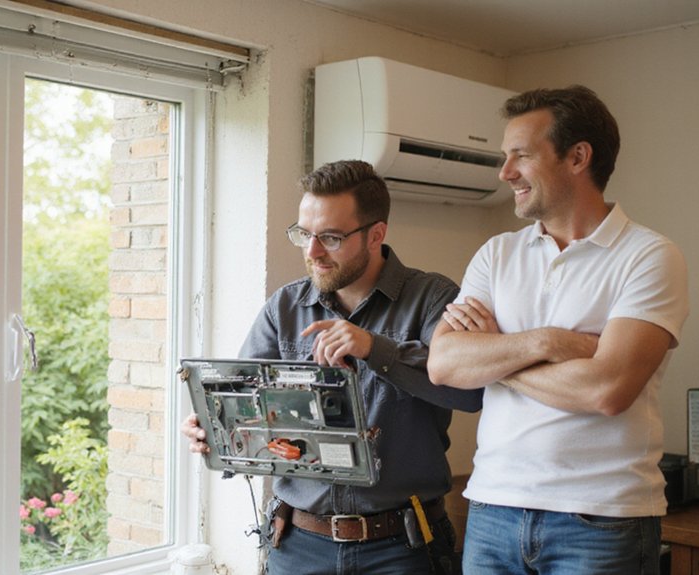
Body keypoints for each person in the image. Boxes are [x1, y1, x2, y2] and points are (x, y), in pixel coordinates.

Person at [426, 86, 689, 574]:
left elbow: (607, 390)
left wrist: (496, 358)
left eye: (520, 156)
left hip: (601, 520)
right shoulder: (496, 254)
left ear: (577, 157)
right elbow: (442, 365)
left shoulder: (650, 256)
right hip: (491, 509)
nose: (505, 173)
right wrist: (547, 342)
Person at [182, 160, 483, 574]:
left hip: (405, 548)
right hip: (297, 544)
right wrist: (213, 429)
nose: (312, 252)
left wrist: (375, 349)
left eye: (330, 237)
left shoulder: (434, 298)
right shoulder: (284, 308)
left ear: (376, 234)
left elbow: (469, 394)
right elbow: (246, 405)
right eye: (304, 234)